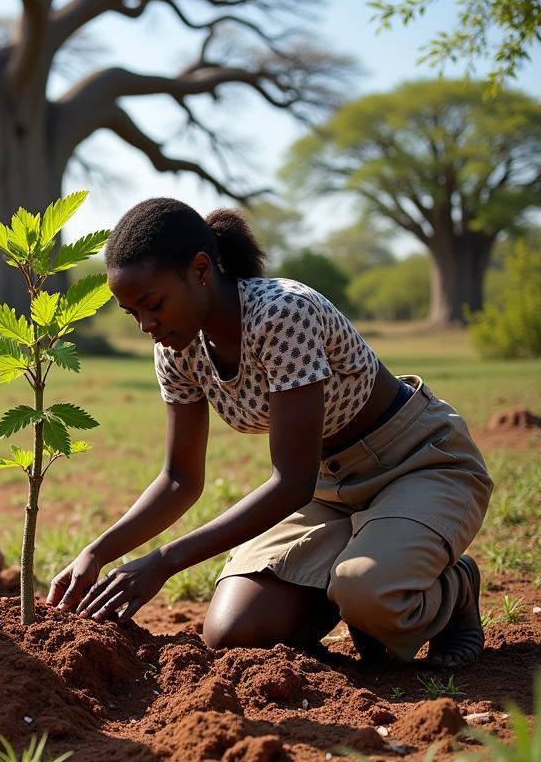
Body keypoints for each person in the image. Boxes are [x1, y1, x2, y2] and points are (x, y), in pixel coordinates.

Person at [48, 198, 492, 670]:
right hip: (327, 490)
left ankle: (453, 589)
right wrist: (96, 553)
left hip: (416, 463)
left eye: (153, 305)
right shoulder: (178, 349)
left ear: (201, 270)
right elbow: (180, 478)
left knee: (371, 595)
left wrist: (161, 562)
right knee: (233, 632)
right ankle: (360, 584)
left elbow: (290, 482)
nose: (146, 326)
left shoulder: (282, 313)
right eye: (131, 312)